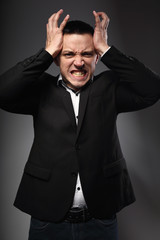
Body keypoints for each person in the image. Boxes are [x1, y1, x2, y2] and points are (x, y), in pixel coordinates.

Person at [0, 9, 160, 240]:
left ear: (96, 57)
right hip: (47, 220)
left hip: (100, 220)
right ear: (56, 58)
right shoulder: (39, 90)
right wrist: (45, 53)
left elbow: (153, 89)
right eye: (68, 54)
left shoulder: (110, 88)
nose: (78, 62)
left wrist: (106, 49)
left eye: (87, 53)